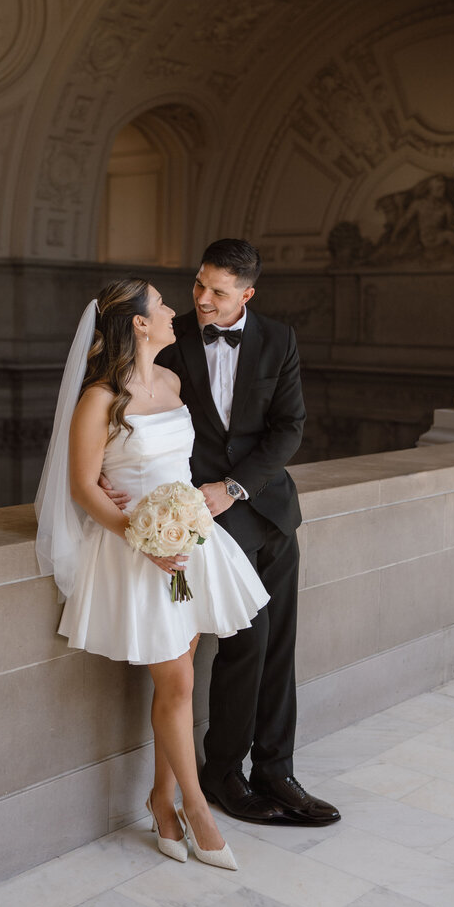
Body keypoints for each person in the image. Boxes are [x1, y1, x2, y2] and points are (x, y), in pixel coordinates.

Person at [34, 277, 269, 870]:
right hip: (137, 551)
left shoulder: (170, 381)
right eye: (161, 305)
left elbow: (178, 464)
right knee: (180, 683)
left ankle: (161, 799)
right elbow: (84, 487)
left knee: (183, 673)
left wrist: (180, 525)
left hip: (189, 542)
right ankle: (197, 807)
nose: (172, 311)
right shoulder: (99, 398)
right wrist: (142, 536)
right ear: (138, 323)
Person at [118, 239, 341, 826]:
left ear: (248, 293)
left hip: (271, 512)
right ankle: (223, 774)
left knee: (280, 647)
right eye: (198, 286)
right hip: (208, 522)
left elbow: (288, 429)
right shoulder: (171, 340)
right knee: (246, 644)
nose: (204, 300)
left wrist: (236, 487)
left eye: (219, 291)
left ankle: (277, 771)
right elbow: (135, 418)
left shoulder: (279, 339)